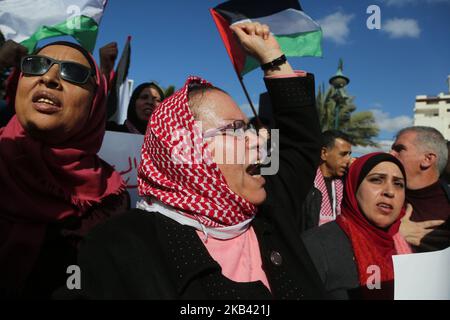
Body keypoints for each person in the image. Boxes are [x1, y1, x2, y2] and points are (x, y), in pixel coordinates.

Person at [59, 22, 326, 299]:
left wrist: (274, 59)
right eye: (235, 129)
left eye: (249, 128)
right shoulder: (120, 244)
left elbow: (301, 143)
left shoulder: (271, 207)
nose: (258, 141)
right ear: (187, 150)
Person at [0, 41, 129, 298]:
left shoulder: (112, 202)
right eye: (35, 66)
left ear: (96, 103)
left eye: (73, 72)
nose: (48, 78)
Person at [302, 152, 412, 300]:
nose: (390, 192)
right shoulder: (316, 245)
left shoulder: (407, 251)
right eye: (377, 180)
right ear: (353, 187)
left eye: (398, 184)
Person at [390, 126, 450, 252]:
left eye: (399, 149)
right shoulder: (380, 196)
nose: (391, 154)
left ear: (427, 159)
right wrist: (393, 232)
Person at [300, 130, 352, 231]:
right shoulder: (305, 186)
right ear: (324, 153)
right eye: (343, 154)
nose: (348, 160)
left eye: (349, 154)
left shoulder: (345, 185)